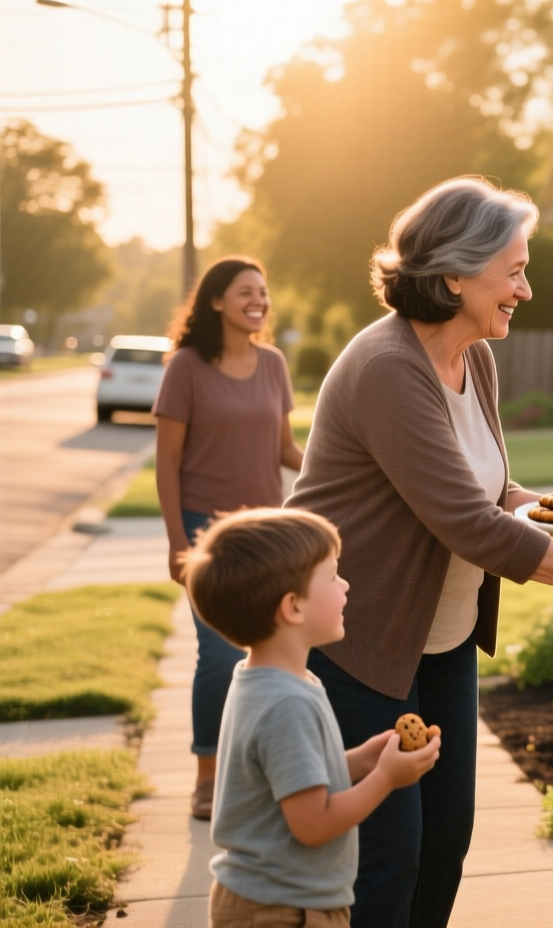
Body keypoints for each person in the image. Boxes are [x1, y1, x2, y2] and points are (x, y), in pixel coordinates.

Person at [285, 176, 553, 927]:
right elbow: (470, 526)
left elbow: (490, 492)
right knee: (389, 856)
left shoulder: (473, 358)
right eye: (514, 272)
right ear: (453, 277)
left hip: (440, 643)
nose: (526, 290)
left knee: (445, 842)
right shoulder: (387, 367)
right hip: (359, 639)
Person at [180, 507, 440, 928]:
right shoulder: (286, 703)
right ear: (293, 608)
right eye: (333, 576)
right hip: (280, 912)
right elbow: (313, 824)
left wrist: (358, 762)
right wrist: (385, 778)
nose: (346, 584)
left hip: (278, 901)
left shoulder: (269, 680)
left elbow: (288, 781)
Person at [154, 255, 305, 821]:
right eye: (245, 291)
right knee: (218, 657)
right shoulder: (186, 367)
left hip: (268, 531)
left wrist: (341, 469)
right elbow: (167, 462)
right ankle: (207, 775)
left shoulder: (273, 363)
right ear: (216, 301)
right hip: (206, 532)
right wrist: (178, 542)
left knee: (274, 653)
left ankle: (265, 769)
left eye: (262, 292)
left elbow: (285, 449)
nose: (258, 301)